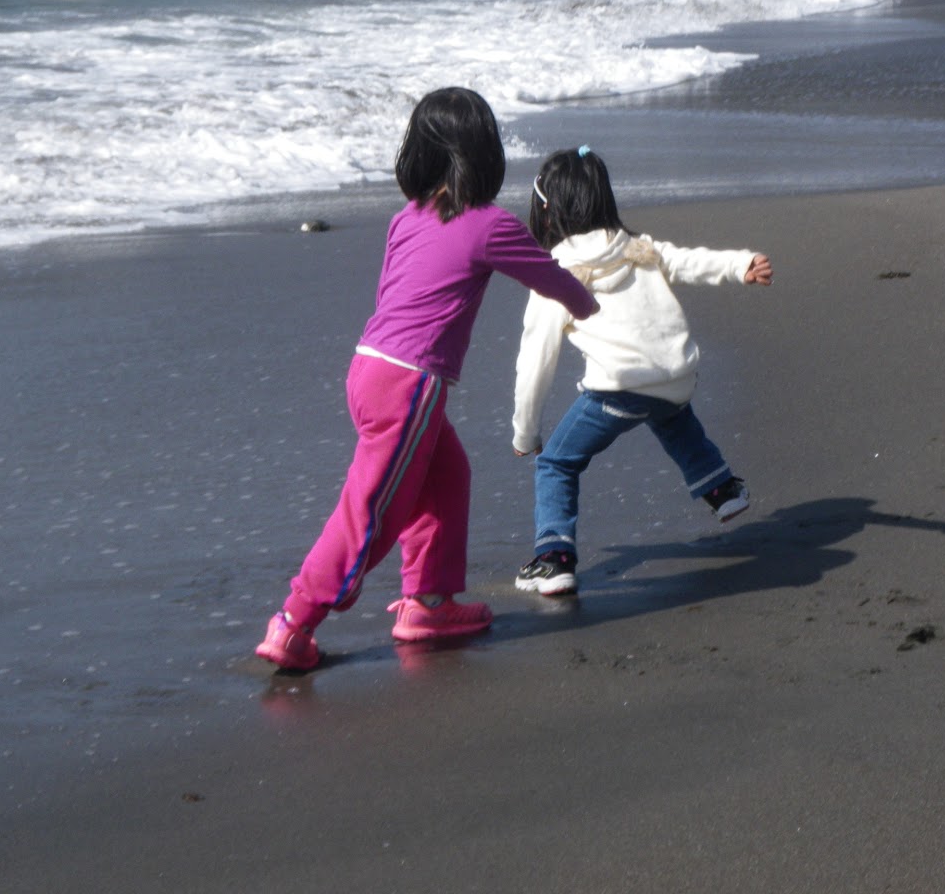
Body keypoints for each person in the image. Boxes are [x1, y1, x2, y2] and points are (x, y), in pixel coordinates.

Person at [254, 89, 600, 671]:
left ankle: (429, 604)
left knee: (446, 477)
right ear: (485, 155)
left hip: (368, 367)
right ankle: (294, 620)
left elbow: (392, 293)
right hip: (409, 385)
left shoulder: (405, 219)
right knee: (370, 510)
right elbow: (549, 276)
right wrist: (589, 306)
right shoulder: (489, 225)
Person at [510, 147, 773, 596]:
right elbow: (688, 260)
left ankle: (554, 558)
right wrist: (739, 264)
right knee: (670, 415)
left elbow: (535, 360)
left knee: (556, 462)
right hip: (676, 376)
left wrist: (525, 432)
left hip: (618, 388)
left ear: (545, 210)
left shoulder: (555, 275)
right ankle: (722, 490)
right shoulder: (639, 249)